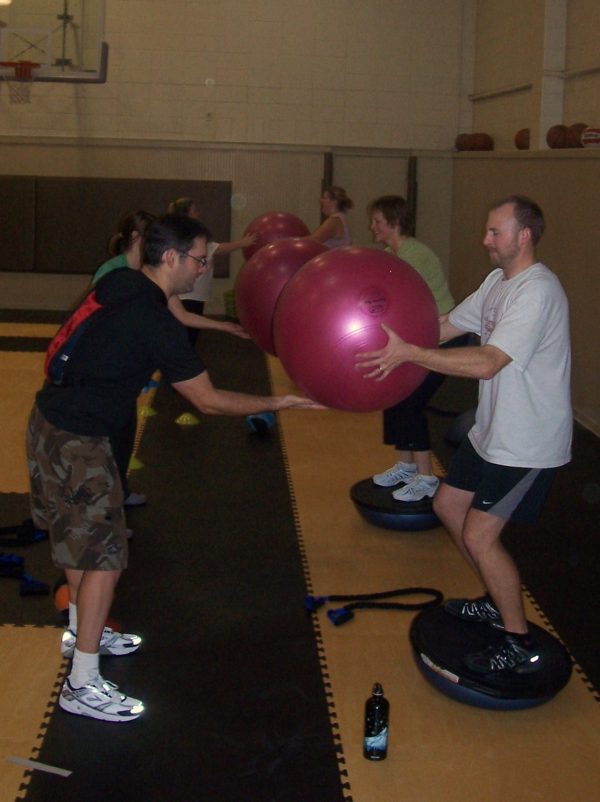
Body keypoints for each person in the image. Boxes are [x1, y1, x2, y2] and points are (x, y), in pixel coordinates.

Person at [27, 214, 322, 723]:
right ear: (171, 259)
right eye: (200, 260)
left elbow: (138, 324)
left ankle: (82, 630)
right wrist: (282, 402)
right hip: (80, 440)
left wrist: (225, 326)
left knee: (79, 542)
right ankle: (83, 683)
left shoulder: (122, 280)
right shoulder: (154, 322)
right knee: (105, 559)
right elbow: (206, 400)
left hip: (50, 421)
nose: (204, 269)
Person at [356, 195, 572, 673]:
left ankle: (518, 641)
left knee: (480, 537)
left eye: (495, 232)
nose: (485, 240)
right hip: (491, 431)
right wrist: (385, 341)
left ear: (524, 236)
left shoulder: (537, 291)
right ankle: (497, 602)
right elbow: (446, 326)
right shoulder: (498, 281)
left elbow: (487, 361)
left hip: (527, 442)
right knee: (447, 505)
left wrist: (409, 354)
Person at [91, 210, 249, 513]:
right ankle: (106, 512)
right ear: (140, 241)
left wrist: (225, 326)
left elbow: (180, 314)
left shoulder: (153, 282)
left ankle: (119, 492)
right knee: (104, 444)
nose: (201, 268)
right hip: (101, 389)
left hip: (124, 387)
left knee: (124, 437)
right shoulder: (116, 275)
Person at [368, 195, 455, 502]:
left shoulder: (413, 255)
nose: (372, 226)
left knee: (410, 402)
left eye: (377, 221)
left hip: (445, 339)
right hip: (418, 338)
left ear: (394, 223)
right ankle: (406, 466)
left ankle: (426, 477)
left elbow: (403, 302)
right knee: (395, 396)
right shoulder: (393, 253)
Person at [168, 197, 256, 344]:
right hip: (188, 296)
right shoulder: (190, 236)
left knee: (188, 333)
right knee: (187, 335)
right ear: (186, 215)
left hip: (192, 295)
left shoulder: (191, 234)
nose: (198, 214)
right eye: (194, 211)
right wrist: (243, 243)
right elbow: (220, 249)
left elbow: (214, 249)